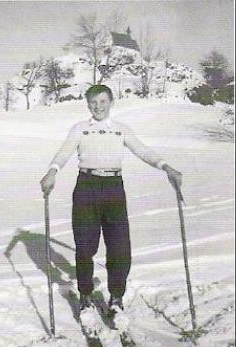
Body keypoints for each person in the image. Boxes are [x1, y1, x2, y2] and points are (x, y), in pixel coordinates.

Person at [40, 85, 182, 314]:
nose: (98, 107)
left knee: (120, 247)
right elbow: (64, 152)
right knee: (85, 246)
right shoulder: (80, 129)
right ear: (88, 104)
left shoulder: (120, 129)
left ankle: (116, 296)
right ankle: (85, 293)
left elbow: (143, 151)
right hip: (87, 187)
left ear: (111, 102)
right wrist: (52, 171)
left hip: (114, 189)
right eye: (93, 103)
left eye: (103, 102)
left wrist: (166, 167)